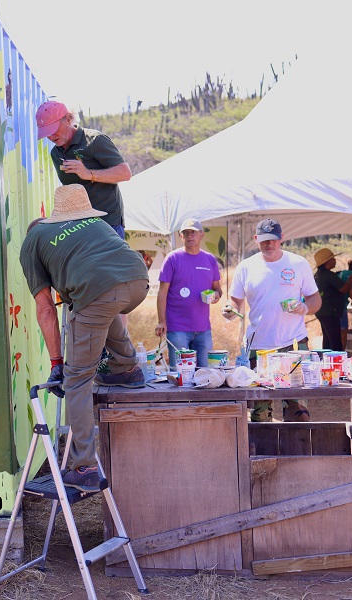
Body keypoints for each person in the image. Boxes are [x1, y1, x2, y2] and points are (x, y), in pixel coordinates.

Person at [20, 184, 149, 492]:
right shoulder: (94, 224)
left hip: (98, 292)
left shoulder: (33, 241)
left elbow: (46, 309)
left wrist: (57, 363)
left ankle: (84, 467)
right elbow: (106, 281)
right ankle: (126, 368)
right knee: (102, 307)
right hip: (138, 280)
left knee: (77, 380)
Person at [223, 218, 321, 422]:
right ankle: (262, 453)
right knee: (260, 414)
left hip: (293, 345)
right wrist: (230, 310)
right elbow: (235, 301)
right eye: (265, 240)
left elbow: (315, 300)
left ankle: (297, 451)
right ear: (256, 239)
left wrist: (304, 307)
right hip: (259, 347)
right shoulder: (245, 266)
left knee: (298, 411)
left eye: (274, 240)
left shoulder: (298, 263)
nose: (269, 244)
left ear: (282, 238)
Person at [35, 100, 132, 239]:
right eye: (47, 133)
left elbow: (125, 173)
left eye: (54, 129)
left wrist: (89, 174)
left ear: (68, 119)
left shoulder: (95, 140)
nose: (51, 136)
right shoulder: (55, 154)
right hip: (77, 227)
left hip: (108, 224)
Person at [154, 218, 222, 368]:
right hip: (177, 328)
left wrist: (216, 295)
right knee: (181, 376)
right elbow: (162, 293)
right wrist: (161, 321)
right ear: (181, 236)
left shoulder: (209, 260)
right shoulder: (172, 259)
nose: (190, 236)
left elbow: (217, 288)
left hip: (203, 329)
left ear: (201, 235)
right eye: (186, 233)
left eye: (193, 232)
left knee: (205, 374)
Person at [313, 248, 352, 351]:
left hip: (321, 310)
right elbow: (344, 289)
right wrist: (350, 280)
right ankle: (336, 362)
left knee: (328, 339)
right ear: (327, 262)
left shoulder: (317, 275)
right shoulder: (329, 275)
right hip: (330, 311)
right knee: (335, 341)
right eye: (333, 258)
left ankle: (326, 361)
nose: (335, 260)